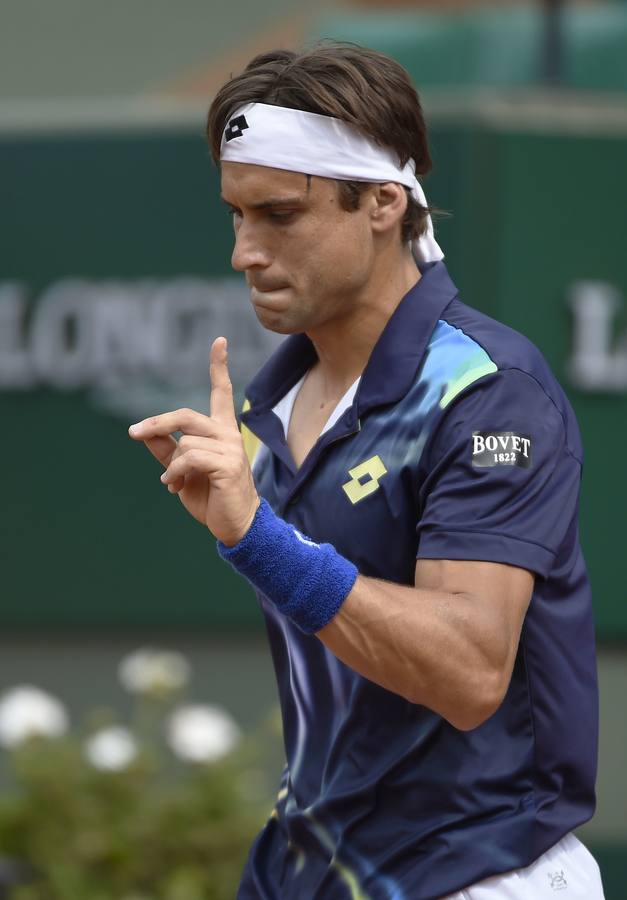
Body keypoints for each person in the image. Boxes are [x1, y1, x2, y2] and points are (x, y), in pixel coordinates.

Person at [128, 42, 604, 900]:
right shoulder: (268, 413)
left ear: (383, 203)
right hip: (310, 872)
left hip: (479, 875)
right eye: (236, 215)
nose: (245, 252)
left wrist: (255, 538)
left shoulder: (487, 391)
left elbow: (467, 673)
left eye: (278, 215)